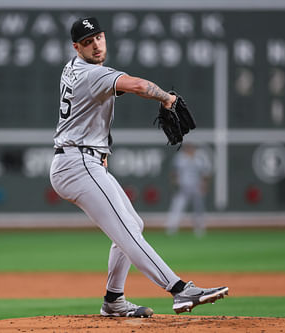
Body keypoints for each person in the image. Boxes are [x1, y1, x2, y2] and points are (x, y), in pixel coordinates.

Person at [49, 16, 228, 316]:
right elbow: (138, 85)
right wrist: (167, 98)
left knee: (133, 226)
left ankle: (113, 301)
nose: (95, 45)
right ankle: (180, 290)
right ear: (76, 47)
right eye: (87, 42)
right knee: (128, 232)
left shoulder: (73, 68)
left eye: (98, 38)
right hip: (77, 163)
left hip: (79, 159)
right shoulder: (92, 75)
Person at [166, 143, 211, 236]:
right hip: (183, 187)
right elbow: (174, 172)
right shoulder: (180, 157)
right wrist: (174, 183)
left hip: (196, 186)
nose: (190, 148)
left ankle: (200, 228)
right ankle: (171, 227)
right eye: (188, 147)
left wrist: (204, 185)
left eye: (191, 146)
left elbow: (205, 173)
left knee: (199, 208)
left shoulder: (200, 157)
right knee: (177, 206)